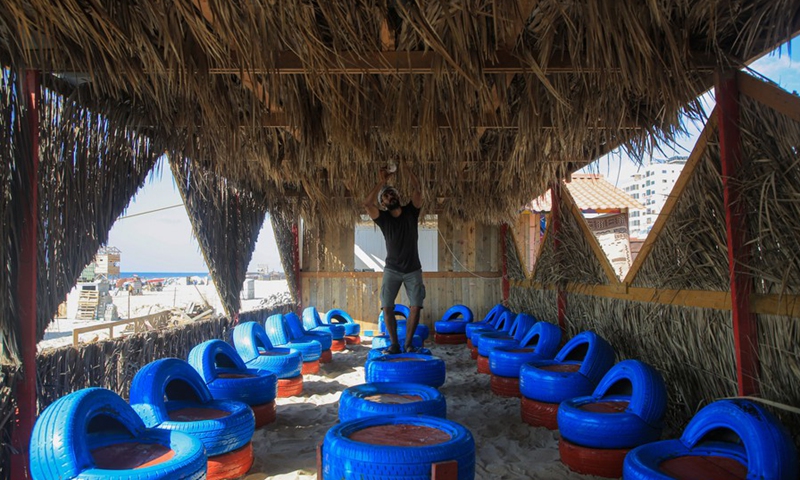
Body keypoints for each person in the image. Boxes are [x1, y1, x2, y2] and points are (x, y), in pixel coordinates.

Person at [364, 164, 425, 354]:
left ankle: (407, 345)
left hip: (413, 269)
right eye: (385, 197)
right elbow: (367, 204)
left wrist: (407, 170)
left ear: (397, 196)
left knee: (416, 306)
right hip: (392, 269)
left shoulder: (411, 212)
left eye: (391, 194)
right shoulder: (383, 218)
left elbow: (419, 190)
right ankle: (394, 344)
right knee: (387, 307)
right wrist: (382, 182)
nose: (389, 197)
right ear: (383, 203)